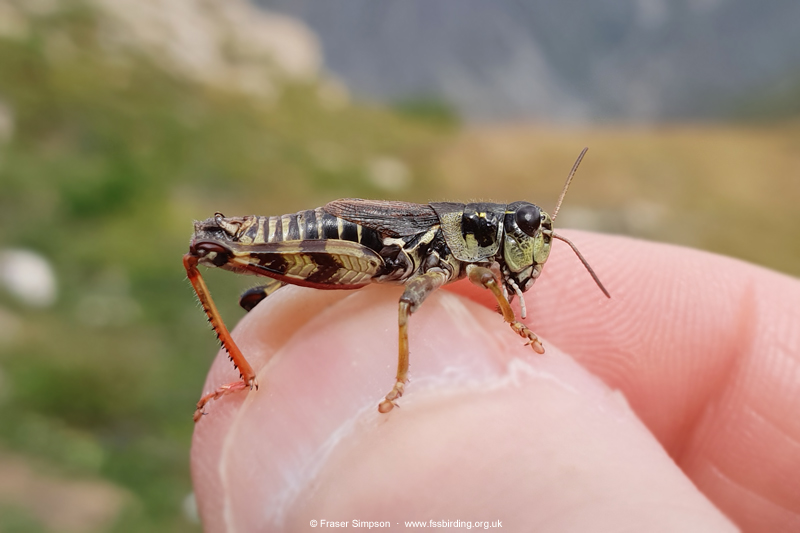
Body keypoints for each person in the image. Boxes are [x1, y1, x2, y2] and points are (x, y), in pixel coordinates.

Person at [191, 231, 800, 532]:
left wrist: (519, 322)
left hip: (365, 257)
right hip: (359, 248)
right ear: (483, 231)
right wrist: (401, 391)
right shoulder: (444, 246)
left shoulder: (476, 258)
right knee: (402, 304)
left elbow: (492, 281)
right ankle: (247, 377)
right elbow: (410, 302)